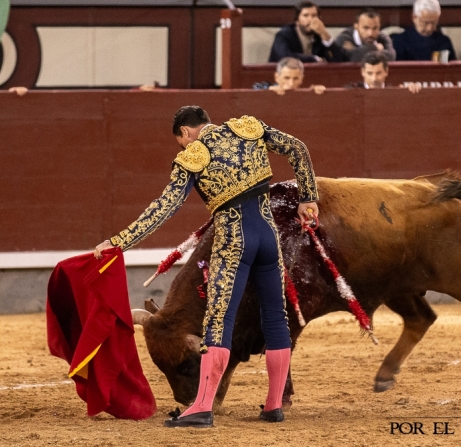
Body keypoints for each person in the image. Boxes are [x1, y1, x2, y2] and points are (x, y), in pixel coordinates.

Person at [94, 106, 319, 428]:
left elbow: (164, 207)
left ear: (185, 133)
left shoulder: (193, 155)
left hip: (233, 239)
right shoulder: (247, 129)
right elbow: (298, 148)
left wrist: (119, 242)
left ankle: (201, 407)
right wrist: (308, 197)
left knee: (219, 318)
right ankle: (273, 406)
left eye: (181, 142)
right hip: (268, 236)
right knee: (274, 316)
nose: (184, 148)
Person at [268, 1, 345, 63]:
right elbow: (285, 57)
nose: (310, 19)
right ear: (297, 21)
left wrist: (324, 34)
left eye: (314, 15)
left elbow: (339, 59)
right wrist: (314, 59)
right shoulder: (284, 35)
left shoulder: (319, 36)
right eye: (306, 15)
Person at [392, 0, 457, 61]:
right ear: (414, 17)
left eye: (434, 23)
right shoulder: (399, 42)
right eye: (426, 23)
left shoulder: (444, 43)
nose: (430, 28)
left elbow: (452, 70)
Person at [345, 51, 421, 93]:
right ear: (363, 72)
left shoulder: (394, 92)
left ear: (386, 71)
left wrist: (412, 89)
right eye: (369, 73)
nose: (374, 79)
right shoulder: (351, 90)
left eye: (378, 73)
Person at [252, 57, 326, 95]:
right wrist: (268, 90)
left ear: (301, 79)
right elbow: (255, 88)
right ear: (277, 77)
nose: (291, 83)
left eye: (296, 78)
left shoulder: (305, 96)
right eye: (286, 78)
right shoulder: (268, 87)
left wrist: (318, 93)